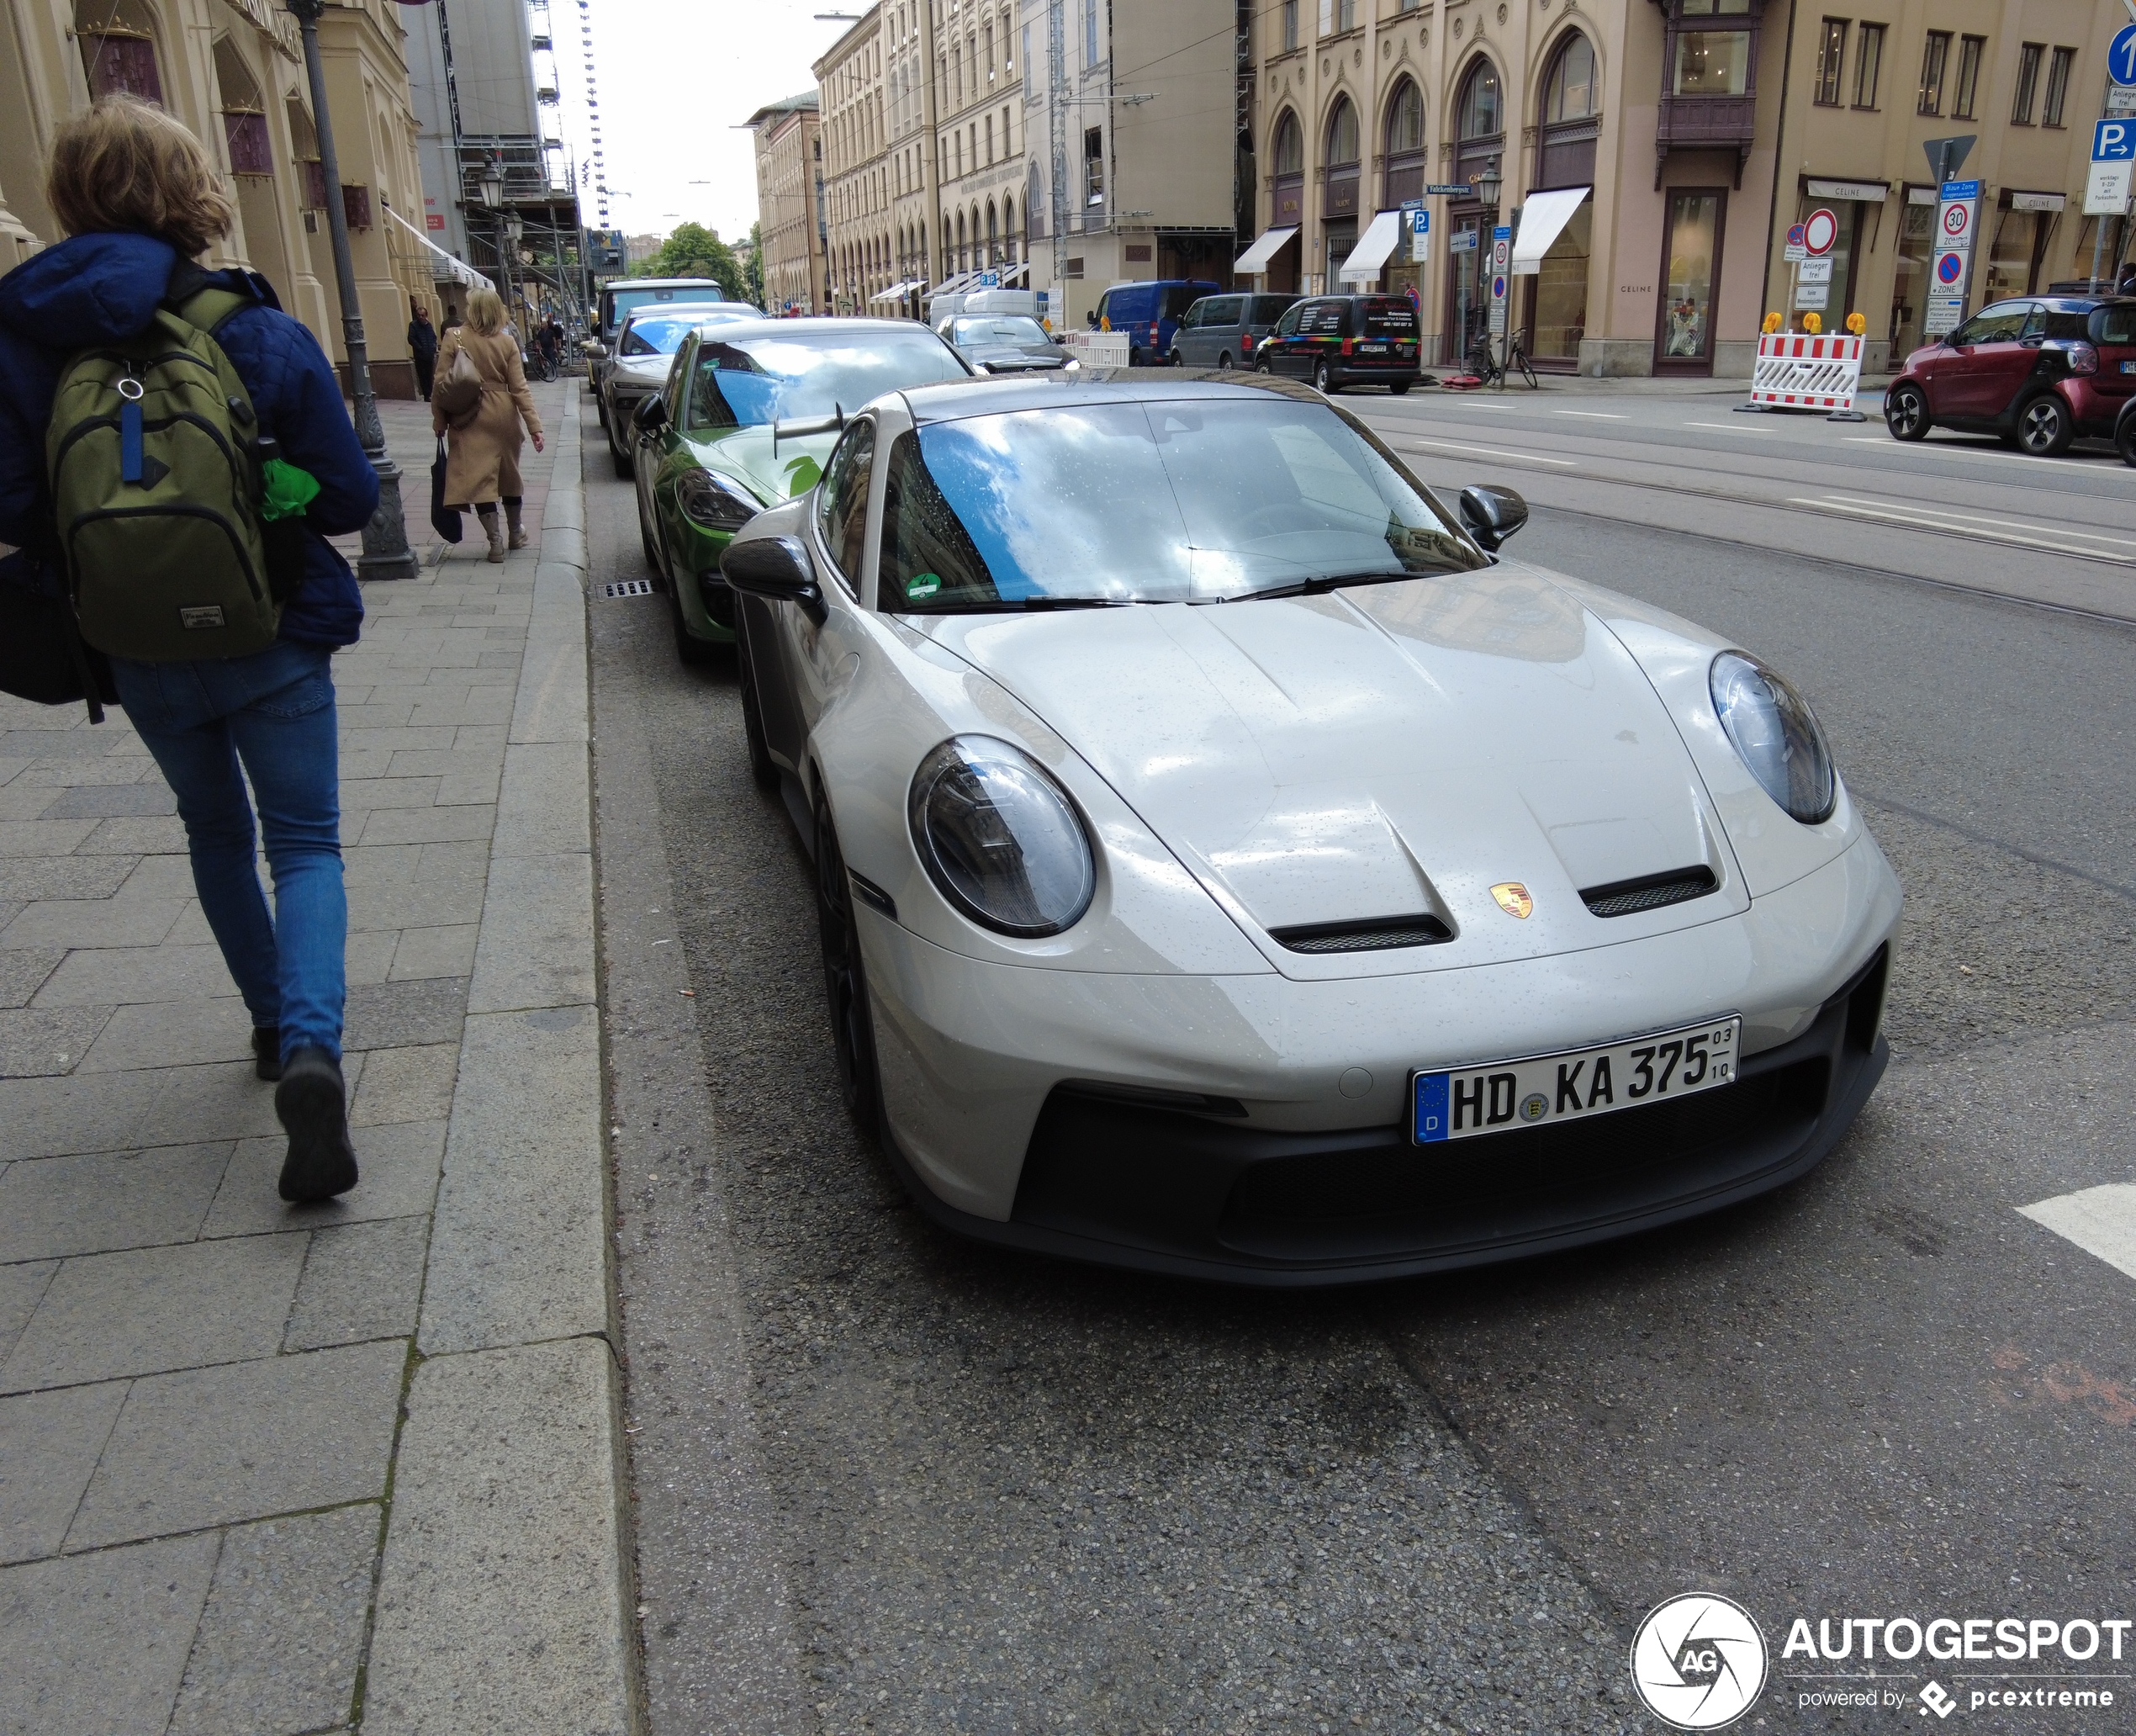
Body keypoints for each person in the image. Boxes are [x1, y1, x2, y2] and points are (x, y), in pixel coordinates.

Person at [0, 96, 377, 1203]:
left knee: (214, 831)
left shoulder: (21, 337)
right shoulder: (250, 324)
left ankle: (267, 1029)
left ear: (68, 195)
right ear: (191, 193)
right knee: (304, 843)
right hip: (268, 631)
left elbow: (18, 510)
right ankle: (312, 1047)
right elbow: (351, 493)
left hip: (132, 643)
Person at [433, 286, 544, 563]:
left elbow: (440, 385)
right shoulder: (507, 343)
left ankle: (495, 543)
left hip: (467, 415)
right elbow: (520, 389)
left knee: (481, 482)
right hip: (503, 414)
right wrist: (534, 427)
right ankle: (516, 532)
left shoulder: (454, 336)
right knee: (509, 476)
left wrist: (440, 421)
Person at [407, 301, 438, 398]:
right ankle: (426, 394)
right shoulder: (413, 325)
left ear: (426, 316)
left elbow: (433, 337)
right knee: (423, 375)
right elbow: (411, 338)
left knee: (430, 375)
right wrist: (420, 348)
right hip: (420, 356)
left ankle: (430, 393)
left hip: (429, 354)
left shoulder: (428, 325)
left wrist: (433, 347)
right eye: (419, 315)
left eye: (423, 315)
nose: (421, 317)